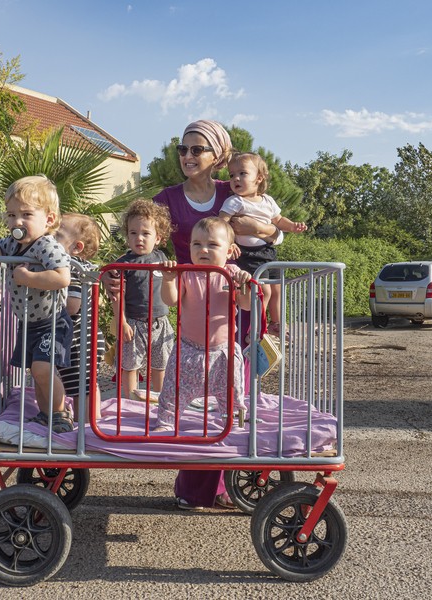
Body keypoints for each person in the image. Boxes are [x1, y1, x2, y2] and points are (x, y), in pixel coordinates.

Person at [152, 120, 277, 510]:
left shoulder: (233, 189)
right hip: (193, 306)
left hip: (233, 303)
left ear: (219, 156)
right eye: (182, 150)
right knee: (195, 403)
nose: (187, 156)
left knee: (229, 399)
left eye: (197, 149)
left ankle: (227, 485)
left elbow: (273, 230)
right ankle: (194, 490)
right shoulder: (167, 197)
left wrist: (257, 232)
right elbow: (147, 241)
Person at [0, 175, 73, 432]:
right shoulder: (13, 242)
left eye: (26, 215)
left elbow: (62, 277)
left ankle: (60, 412)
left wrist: (28, 277)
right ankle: (46, 413)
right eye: (11, 215)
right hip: (28, 322)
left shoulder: (46, 245)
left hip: (52, 322)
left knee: (44, 370)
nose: (16, 222)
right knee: (36, 372)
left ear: (49, 219)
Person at [153, 218, 251, 432]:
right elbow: (172, 300)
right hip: (188, 349)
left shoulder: (232, 274)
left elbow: (246, 305)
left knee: (232, 392)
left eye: (213, 245)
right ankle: (166, 422)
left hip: (223, 350)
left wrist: (244, 285)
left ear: (230, 251)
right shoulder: (186, 272)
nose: (203, 249)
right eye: (196, 244)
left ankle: (234, 423)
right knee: (173, 390)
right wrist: (169, 279)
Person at [219, 152, 308, 334]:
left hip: (267, 252)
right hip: (247, 255)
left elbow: (279, 220)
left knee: (277, 289)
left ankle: (277, 323)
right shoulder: (234, 201)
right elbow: (221, 224)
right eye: (232, 175)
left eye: (242, 173)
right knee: (263, 292)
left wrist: (293, 226)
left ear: (259, 178)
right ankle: (257, 326)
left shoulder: (268, 201)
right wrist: (230, 243)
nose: (236, 178)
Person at [110, 199, 175, 401]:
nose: (139, 238)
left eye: (146, 233)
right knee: (130, 365)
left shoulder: (161, 258)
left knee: (160, 365)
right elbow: (116, 294)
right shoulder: (124, 263)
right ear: (127, 236)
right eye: (133, 233)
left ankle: (160, 401)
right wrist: (120, 320)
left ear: (158, 238)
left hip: (160, 322)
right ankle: (130, 402)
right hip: (133, 322)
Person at [54, 213, 107, 421]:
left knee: (81, 386)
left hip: (80, 338)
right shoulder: (77, 266)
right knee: (84, 384)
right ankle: (92, 419)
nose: (50, 238)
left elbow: (72, 305)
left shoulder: (71, 267)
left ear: (77, 248)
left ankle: (86, 425)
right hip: (83, 335)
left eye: (57, 235)